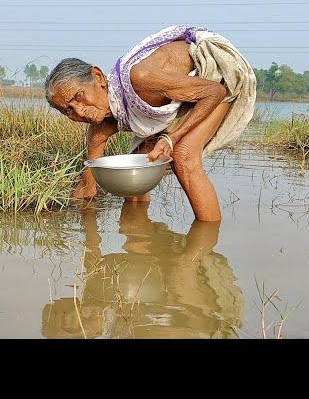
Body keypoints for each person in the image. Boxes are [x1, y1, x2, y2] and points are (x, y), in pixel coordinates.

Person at [44, 25, 256, 222]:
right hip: (184, 92)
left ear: (98, 77)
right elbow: (87, 188)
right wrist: (85, 235)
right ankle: (137, 235)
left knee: (183, 156)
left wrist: (171, 138)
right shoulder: (99, 128)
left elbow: (213, 92)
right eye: (67, 110)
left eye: (79, 97)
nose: (79, 111)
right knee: (136, 169)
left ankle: (206, 246)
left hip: (214, 79)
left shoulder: (140, 79)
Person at [40, 202, 244, 338]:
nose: (81, 312)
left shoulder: (94, 289)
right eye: (78, 324)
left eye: (71, 313)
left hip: (194, 291)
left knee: (132, 226)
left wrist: (88, 210)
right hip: (202, 308)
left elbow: (91, 245)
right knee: (178, 272)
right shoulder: (122, 328)